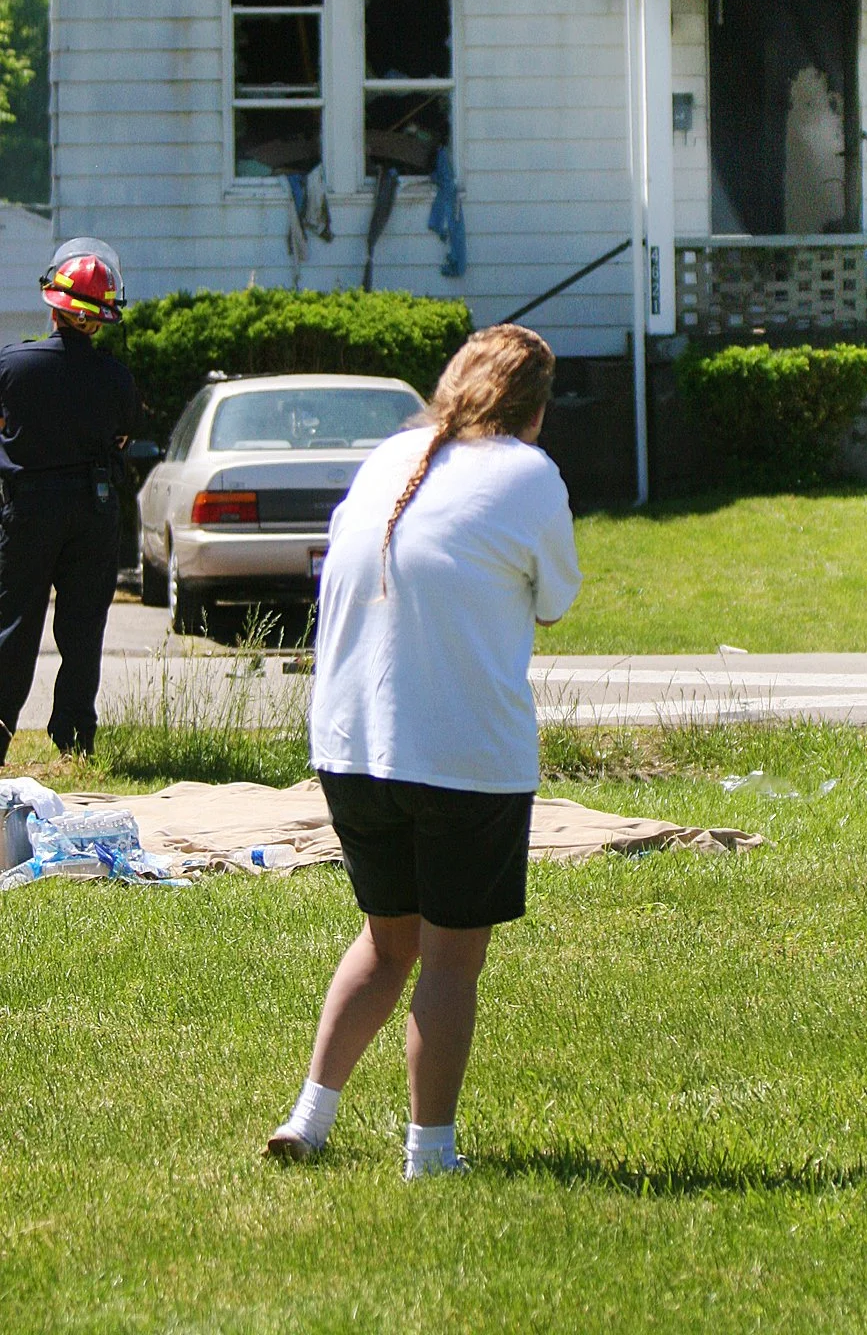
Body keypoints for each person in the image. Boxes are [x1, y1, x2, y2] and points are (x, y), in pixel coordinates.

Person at [267, 324, 581, 1181]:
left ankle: (310, 1116)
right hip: (460, 754)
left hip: (349, 748)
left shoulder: (393, 455)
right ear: (536, 407)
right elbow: (554, 601)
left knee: (384, 941)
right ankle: (430, 1155)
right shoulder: (528, 473)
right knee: (449, 959)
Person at [0, 238, 139, 766]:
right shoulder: (116, 378)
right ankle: (75, 743)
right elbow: (124, 437)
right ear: (100, 318)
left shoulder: (14, 366)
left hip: (27, 510)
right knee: (82, 630)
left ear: (54, 305)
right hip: (93, 510)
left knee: (13, 625)